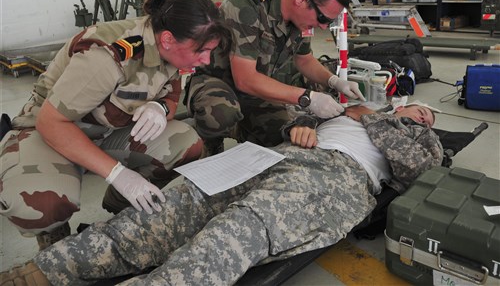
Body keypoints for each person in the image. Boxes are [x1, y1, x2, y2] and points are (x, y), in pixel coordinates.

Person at [0, 104, 443, 285]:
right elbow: (291, 121)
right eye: (418, 109)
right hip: (272, 157)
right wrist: (300, 126)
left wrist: (388, 119)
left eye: (426, 114)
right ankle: (39, 272)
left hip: (335, 178)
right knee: (168, 208)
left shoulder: (416, 136)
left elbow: (417, 172)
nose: (422, 114)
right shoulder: (350, 109)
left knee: (235, 233)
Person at [0, 0, 232, 250]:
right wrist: (119, 174)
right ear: (168, 39)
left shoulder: (171, 49)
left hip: (106, 130)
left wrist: (161, 109)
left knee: (186, 145)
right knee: (42, 204)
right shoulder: (108, 56)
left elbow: (170, 94)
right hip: (52, 131)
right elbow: (51, 122)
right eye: (201, 51)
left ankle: (121, 204)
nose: (206, 60)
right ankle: (54, 236)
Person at [184, 0, 365, 155]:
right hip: (218, 84)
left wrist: (335, 81)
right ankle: (212, 141)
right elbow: (244, 79)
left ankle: (244, 127)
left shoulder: (299, 18)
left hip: (257, 90)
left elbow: (304, 59)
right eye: (323, 19)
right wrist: (307, 98)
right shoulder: (247, 4)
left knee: (287, 136)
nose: (322, 27)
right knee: (220, 113)